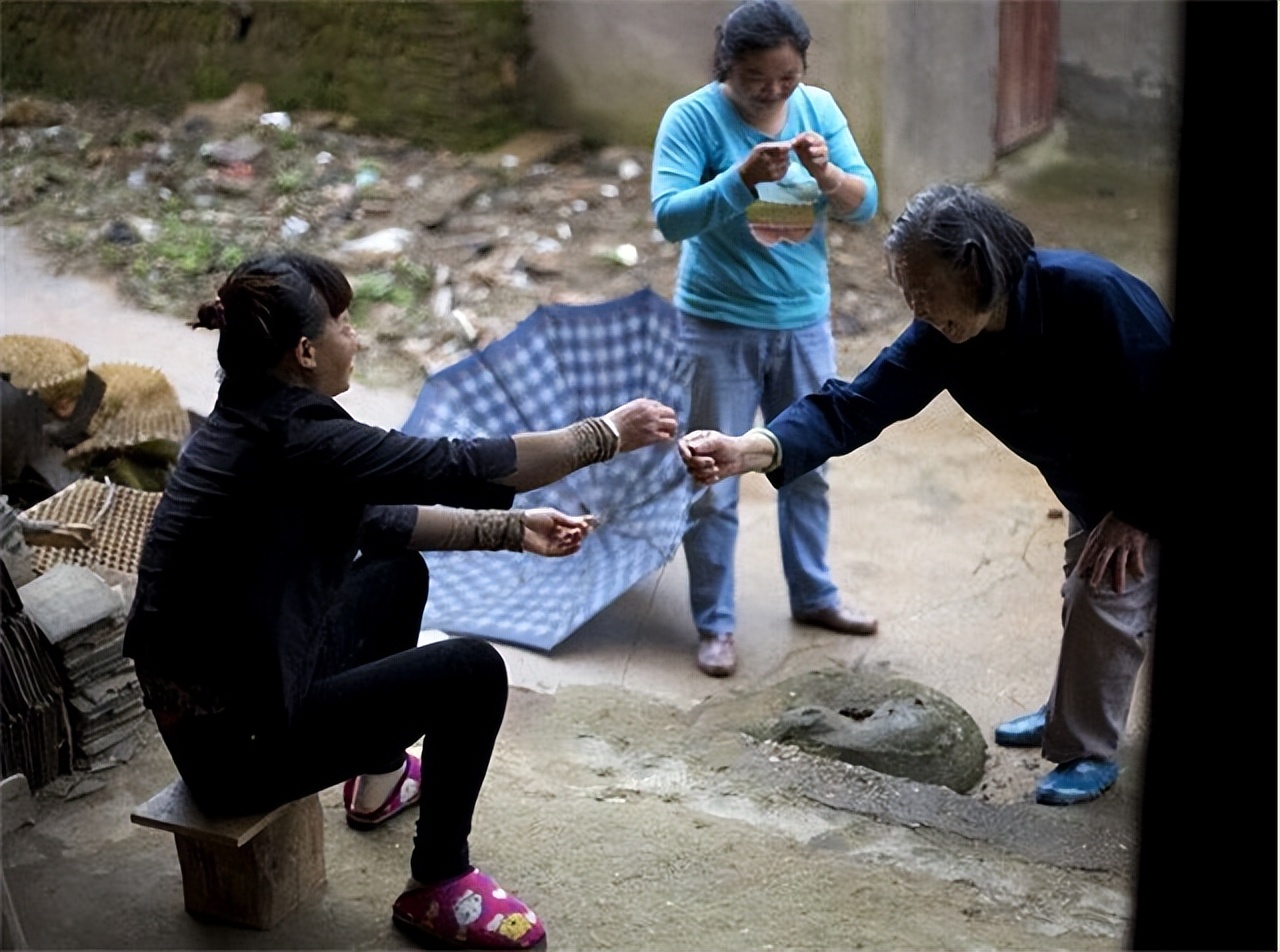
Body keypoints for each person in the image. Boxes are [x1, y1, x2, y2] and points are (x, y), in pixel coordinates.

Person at [122, 251, 678, 949]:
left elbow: (375, 521)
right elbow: (458, 465)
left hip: (240, 699)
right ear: (303, 352)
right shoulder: (297, 439)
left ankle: (379, 778)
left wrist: (510, 529)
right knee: (471, 672)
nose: (355, 337)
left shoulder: (249, 420)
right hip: (235, 752)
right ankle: (437, 884)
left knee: (395, 570)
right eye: (343, 324)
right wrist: (605, 434)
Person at [677, 183, 1171, 806]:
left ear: (972, 265)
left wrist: (1134, 513)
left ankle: (1085, 748)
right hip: (1094, 479)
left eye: (924, 287)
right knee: (1086, 589)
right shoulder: (944, 335)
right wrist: (748, 450)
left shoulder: (1094, 296)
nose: (916, 305)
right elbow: (855, 407)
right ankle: (1073, 710)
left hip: (1151, 475)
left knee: (1106, 593)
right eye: (907, 291)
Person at [650, 0, 880, 679]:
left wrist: (830, 176)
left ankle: (814, 594)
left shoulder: (820, 109)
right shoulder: (692, 118)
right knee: (714, 478)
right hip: (716, 324)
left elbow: (864, 203)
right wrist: (740, 179)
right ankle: (715, 624)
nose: (775, 91)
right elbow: (669, 219)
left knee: (806, 466)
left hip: (804, 320)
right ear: (728, 66)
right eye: (758, 78)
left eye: (788, 76)